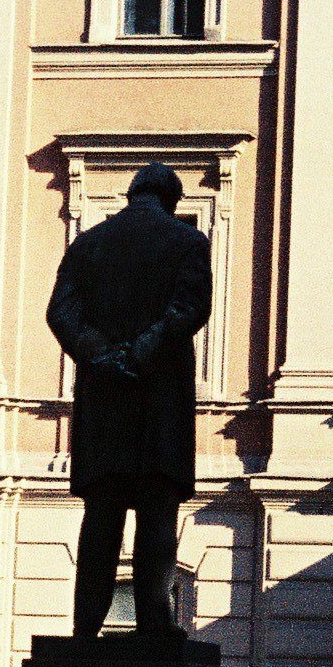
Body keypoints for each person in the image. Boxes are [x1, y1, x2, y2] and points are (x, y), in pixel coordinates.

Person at [46, 162, 212, 639]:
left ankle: (85, 629)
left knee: (101, 514)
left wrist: (101, 354)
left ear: (132, 194)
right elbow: (188, 309)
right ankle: (155, 624)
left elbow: (60, 312)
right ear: (172, 199)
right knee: (157, 513)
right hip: (159, 399)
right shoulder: (187, 242)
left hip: (104, 401)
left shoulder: (89, 243)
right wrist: (143, 350)